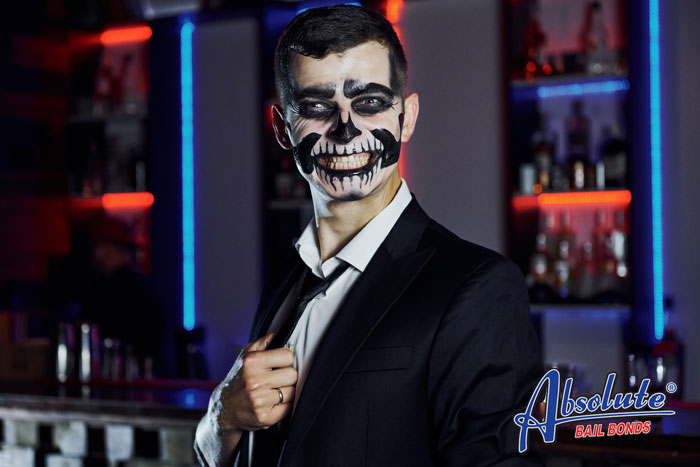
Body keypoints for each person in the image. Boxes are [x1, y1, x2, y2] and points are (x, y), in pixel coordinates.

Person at [195, 5, 542, 466]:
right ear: (282, 128)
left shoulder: (477, 288)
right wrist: (221, 419)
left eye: (370, 103)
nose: (346, 130)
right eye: (317, 107)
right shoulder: (286, 279)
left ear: (407, 117)